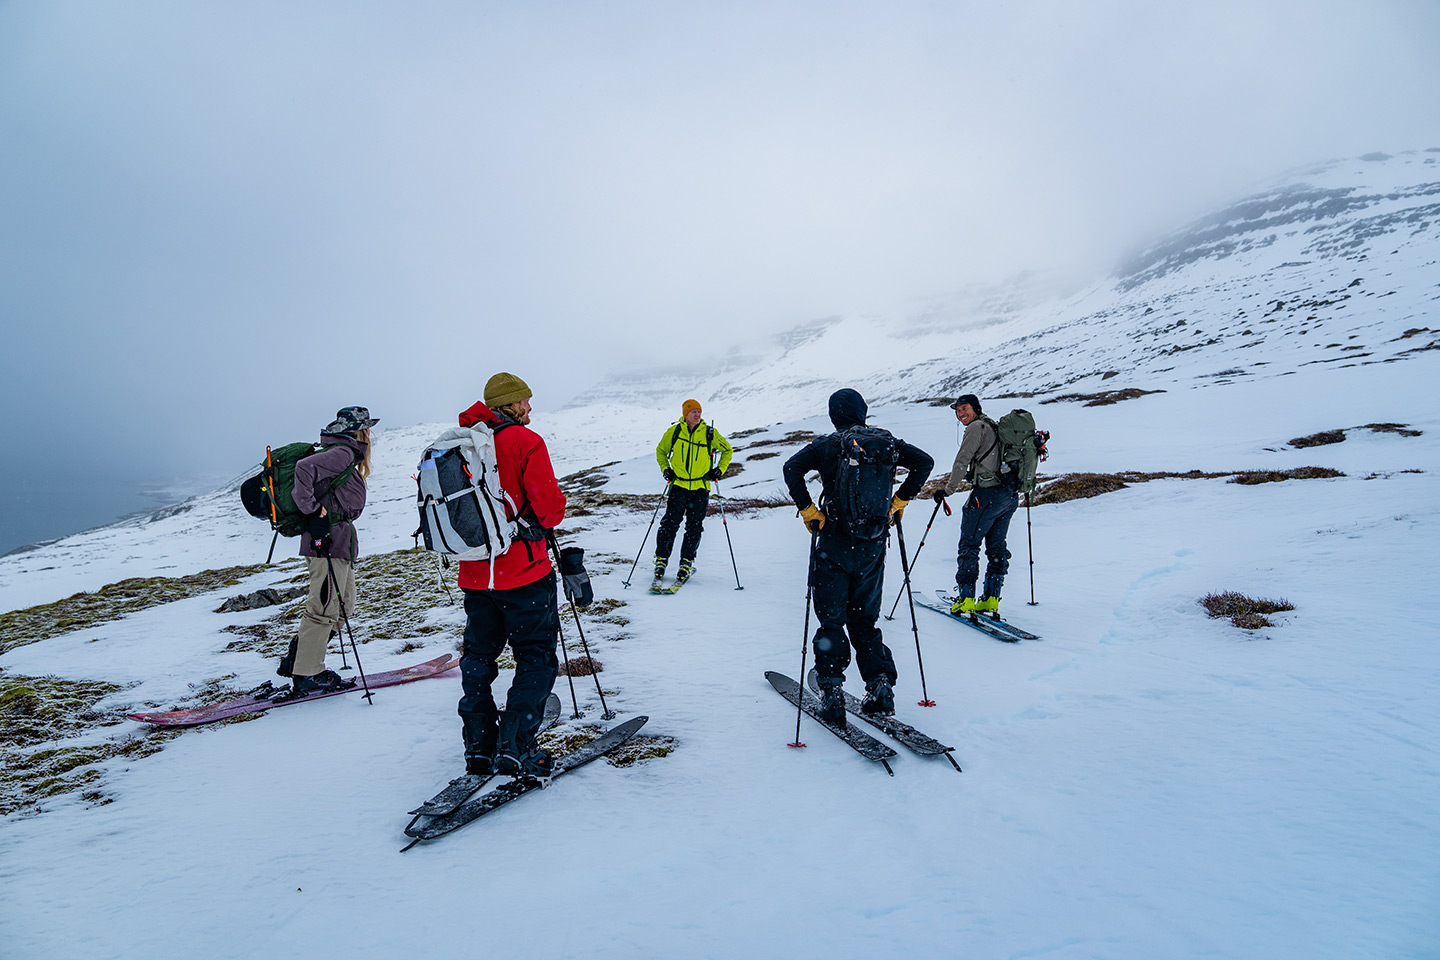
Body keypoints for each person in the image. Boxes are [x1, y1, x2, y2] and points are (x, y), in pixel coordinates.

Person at [782, 388, 932, 721]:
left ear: (835, 414)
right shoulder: (886, 442)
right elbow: (925, 463)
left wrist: (808, 511)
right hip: (873, 545)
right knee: (864, 622)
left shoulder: (827, 444)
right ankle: (880, 687)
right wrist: (898, 502)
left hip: (834, 544)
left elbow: (791, 469)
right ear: (862, 412)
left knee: (832, 621)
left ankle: (832, 693)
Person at [455, 372, 567, 778]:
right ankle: (516, 747)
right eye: (525, 401)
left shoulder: (459, 444)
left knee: (480, 659)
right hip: (523, 572)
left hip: (474, 575)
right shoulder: (525, 442)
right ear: (510, 404)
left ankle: (479, 747)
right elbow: (550, 510)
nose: (530, 408)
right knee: (536, 656)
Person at [288, 405, 377, 696]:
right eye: (367, 429)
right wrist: (314, 512)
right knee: (325, 605)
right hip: (325, 539)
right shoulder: (342, 452)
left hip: (339, 541)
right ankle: (307, 673)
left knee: (343, 605)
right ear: (358, 431)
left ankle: (300, 656)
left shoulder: (344, 452)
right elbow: (303, 469)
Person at [935, 393, 1019, 617]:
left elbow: (962, 460)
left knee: (969, 545)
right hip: (1008, 496)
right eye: (958, 410)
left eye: (965, 409)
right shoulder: (993, 426)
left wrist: (948, 490)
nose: (961, 414)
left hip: (986, 496)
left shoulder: (976, 428)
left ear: (976, 408)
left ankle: (966, 600)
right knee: (997, 547)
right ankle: (991, 599)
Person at [651, 399, 733, 587]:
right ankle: (661, 561)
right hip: (678, 486)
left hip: (700, 488)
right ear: (685, 414)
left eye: (699, 411)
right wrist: (666, 470)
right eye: (694, 411)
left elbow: (727, 450)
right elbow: (661, 451)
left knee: (694, 528)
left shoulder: (710, 434)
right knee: (669, 525)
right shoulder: (674, 432)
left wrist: (719, 470)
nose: (697, 414)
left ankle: (686, 563)